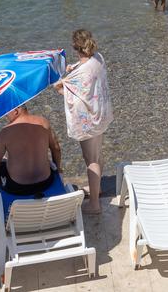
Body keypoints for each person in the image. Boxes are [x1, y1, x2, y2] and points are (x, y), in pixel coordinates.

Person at [56, 29, 113, 215]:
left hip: (87, 119)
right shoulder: (98, 59)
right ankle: (97, 187)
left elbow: (59, 86)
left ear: (75, 47)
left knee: (91, 160)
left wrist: (63, 75)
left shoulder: (80, 72)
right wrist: (73, 69)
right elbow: (85, 70)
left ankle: (94, 204)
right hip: (100, 113)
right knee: (97, 154)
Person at [0, 105, 63, 197]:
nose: (6, 117)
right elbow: (56, 148)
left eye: (6, 114)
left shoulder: (5, 132)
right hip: (45, 183)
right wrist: (58, 169)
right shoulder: (43, 123)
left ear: (16, 111)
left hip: (18, 187)